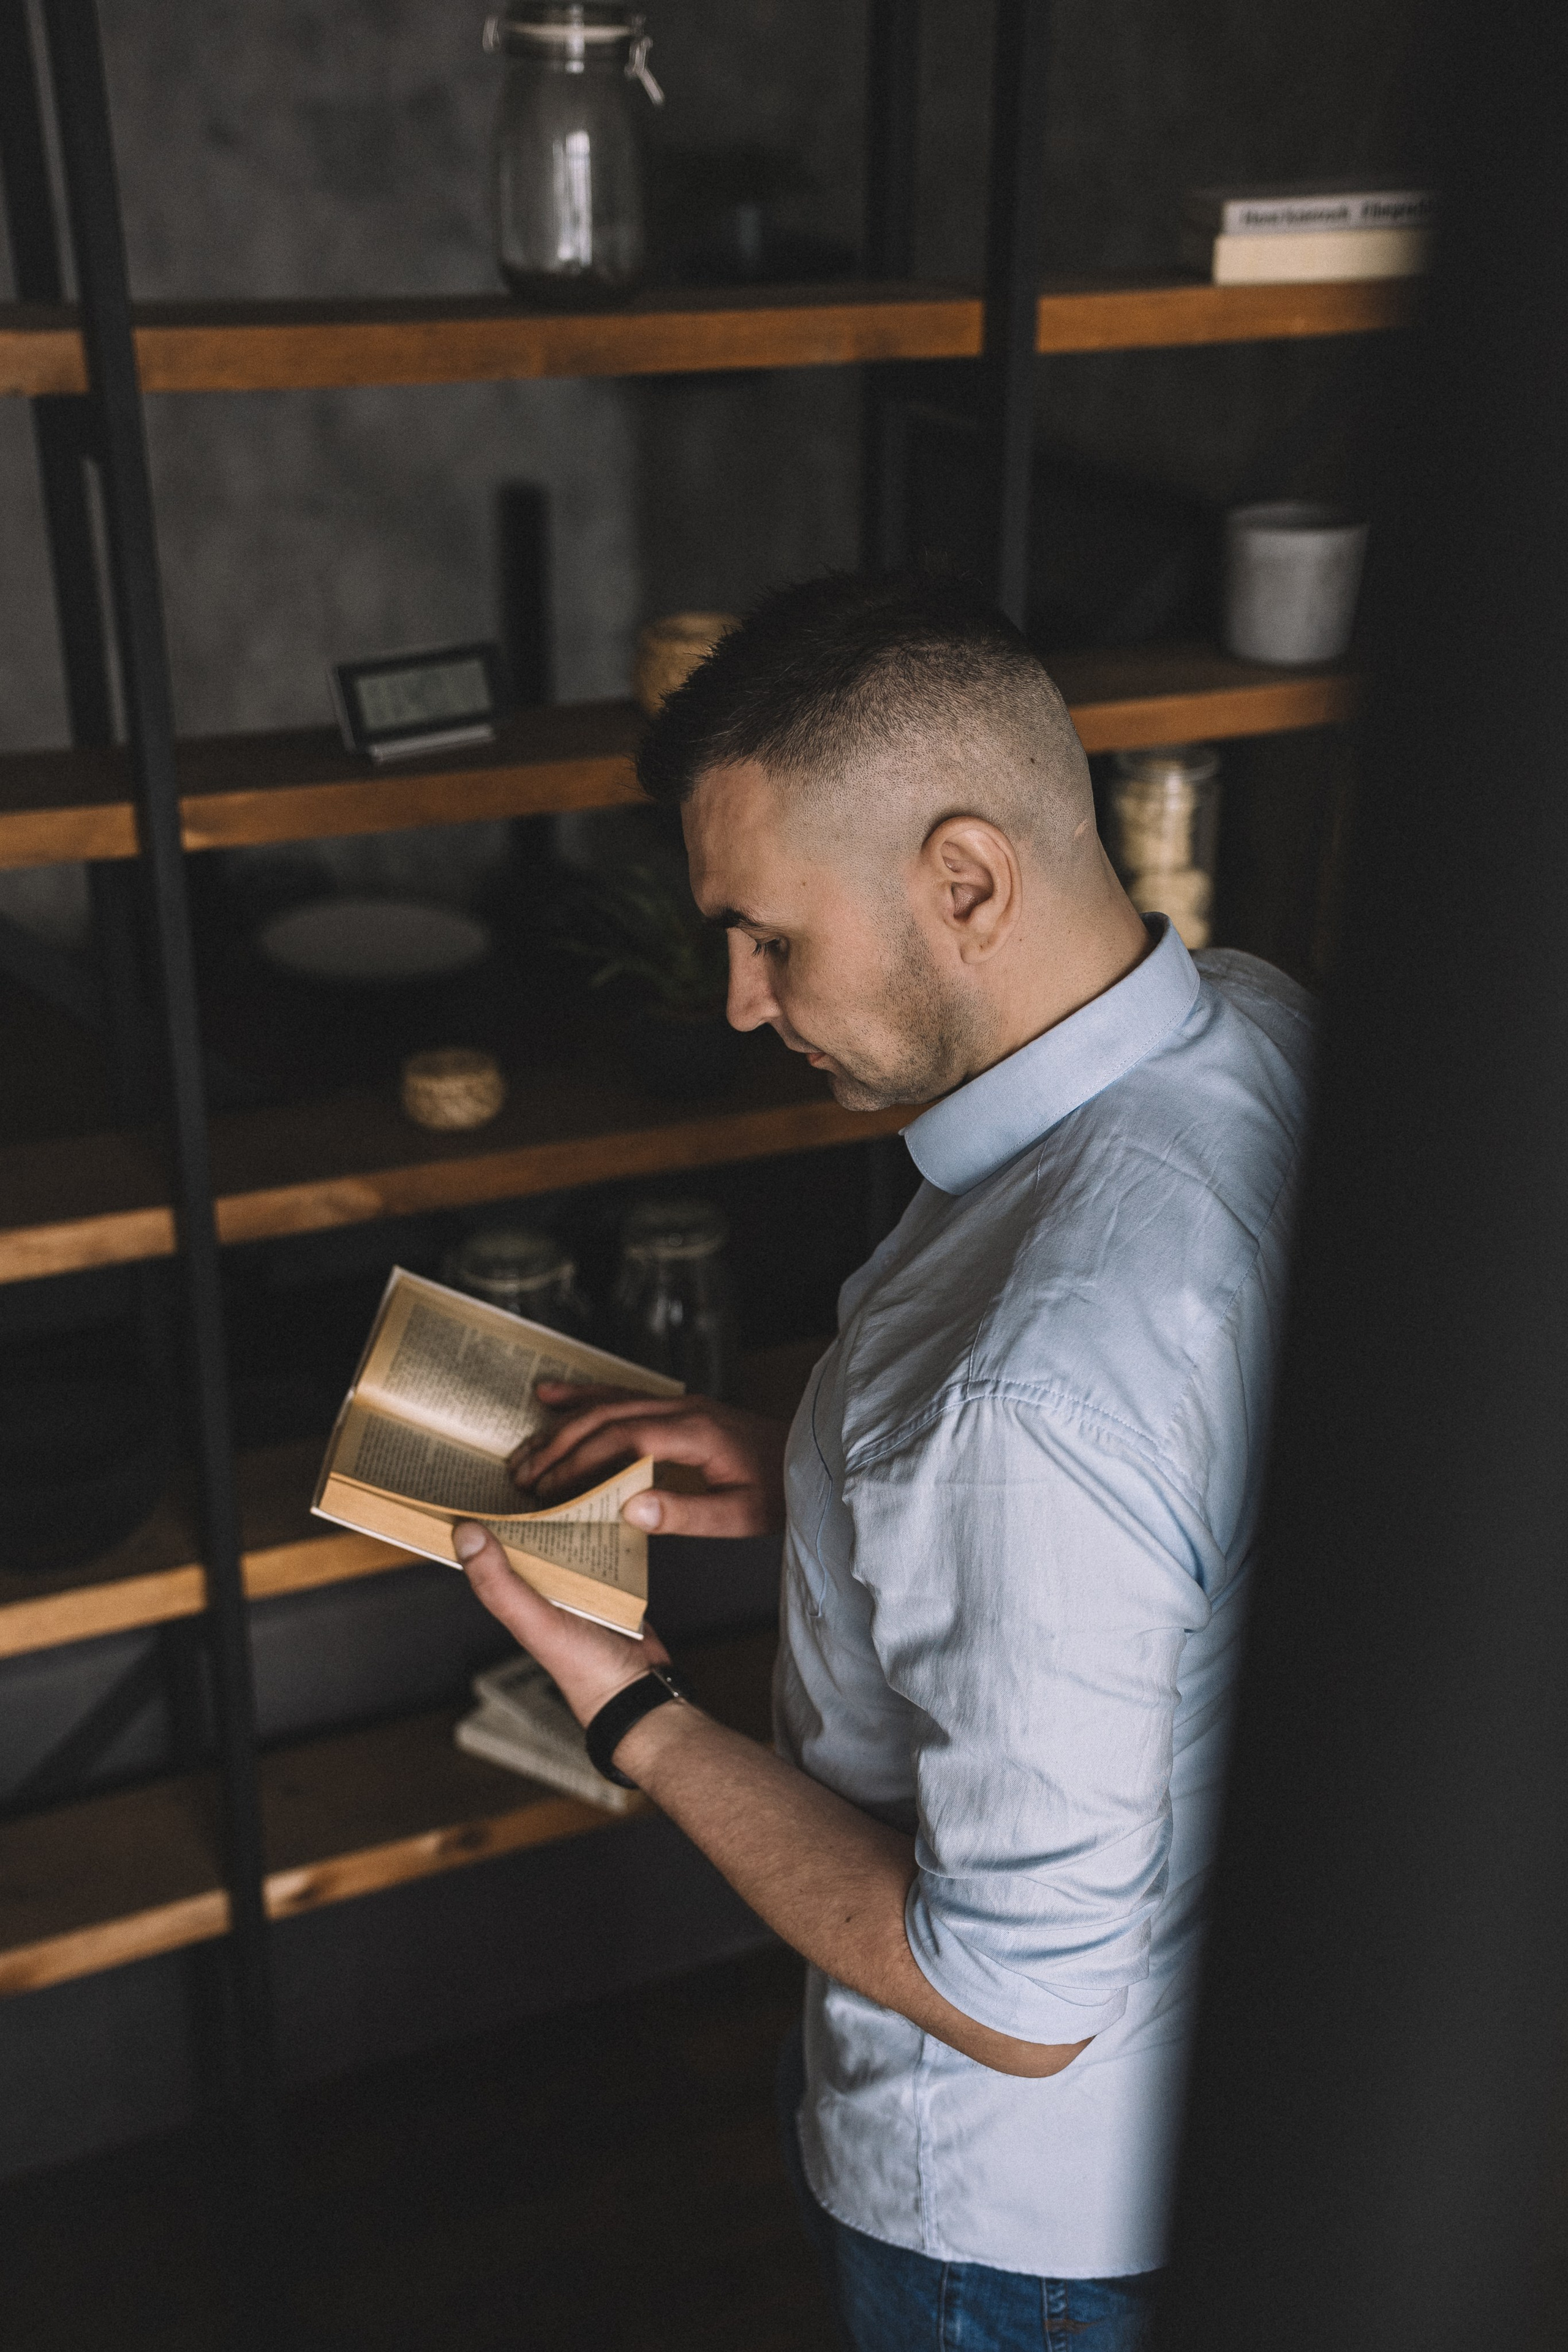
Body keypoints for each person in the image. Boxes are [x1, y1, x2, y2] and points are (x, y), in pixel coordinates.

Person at [454, 573, 1314, 2351]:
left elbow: (1008, 1996)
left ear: (968, 882)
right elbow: (1173, 1501)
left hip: (1020, 2224)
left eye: (770, 936)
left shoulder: (1022, 1392)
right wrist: (820, 1469)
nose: (746, 1002)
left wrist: (630, 1709)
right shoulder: (1254, 1034)